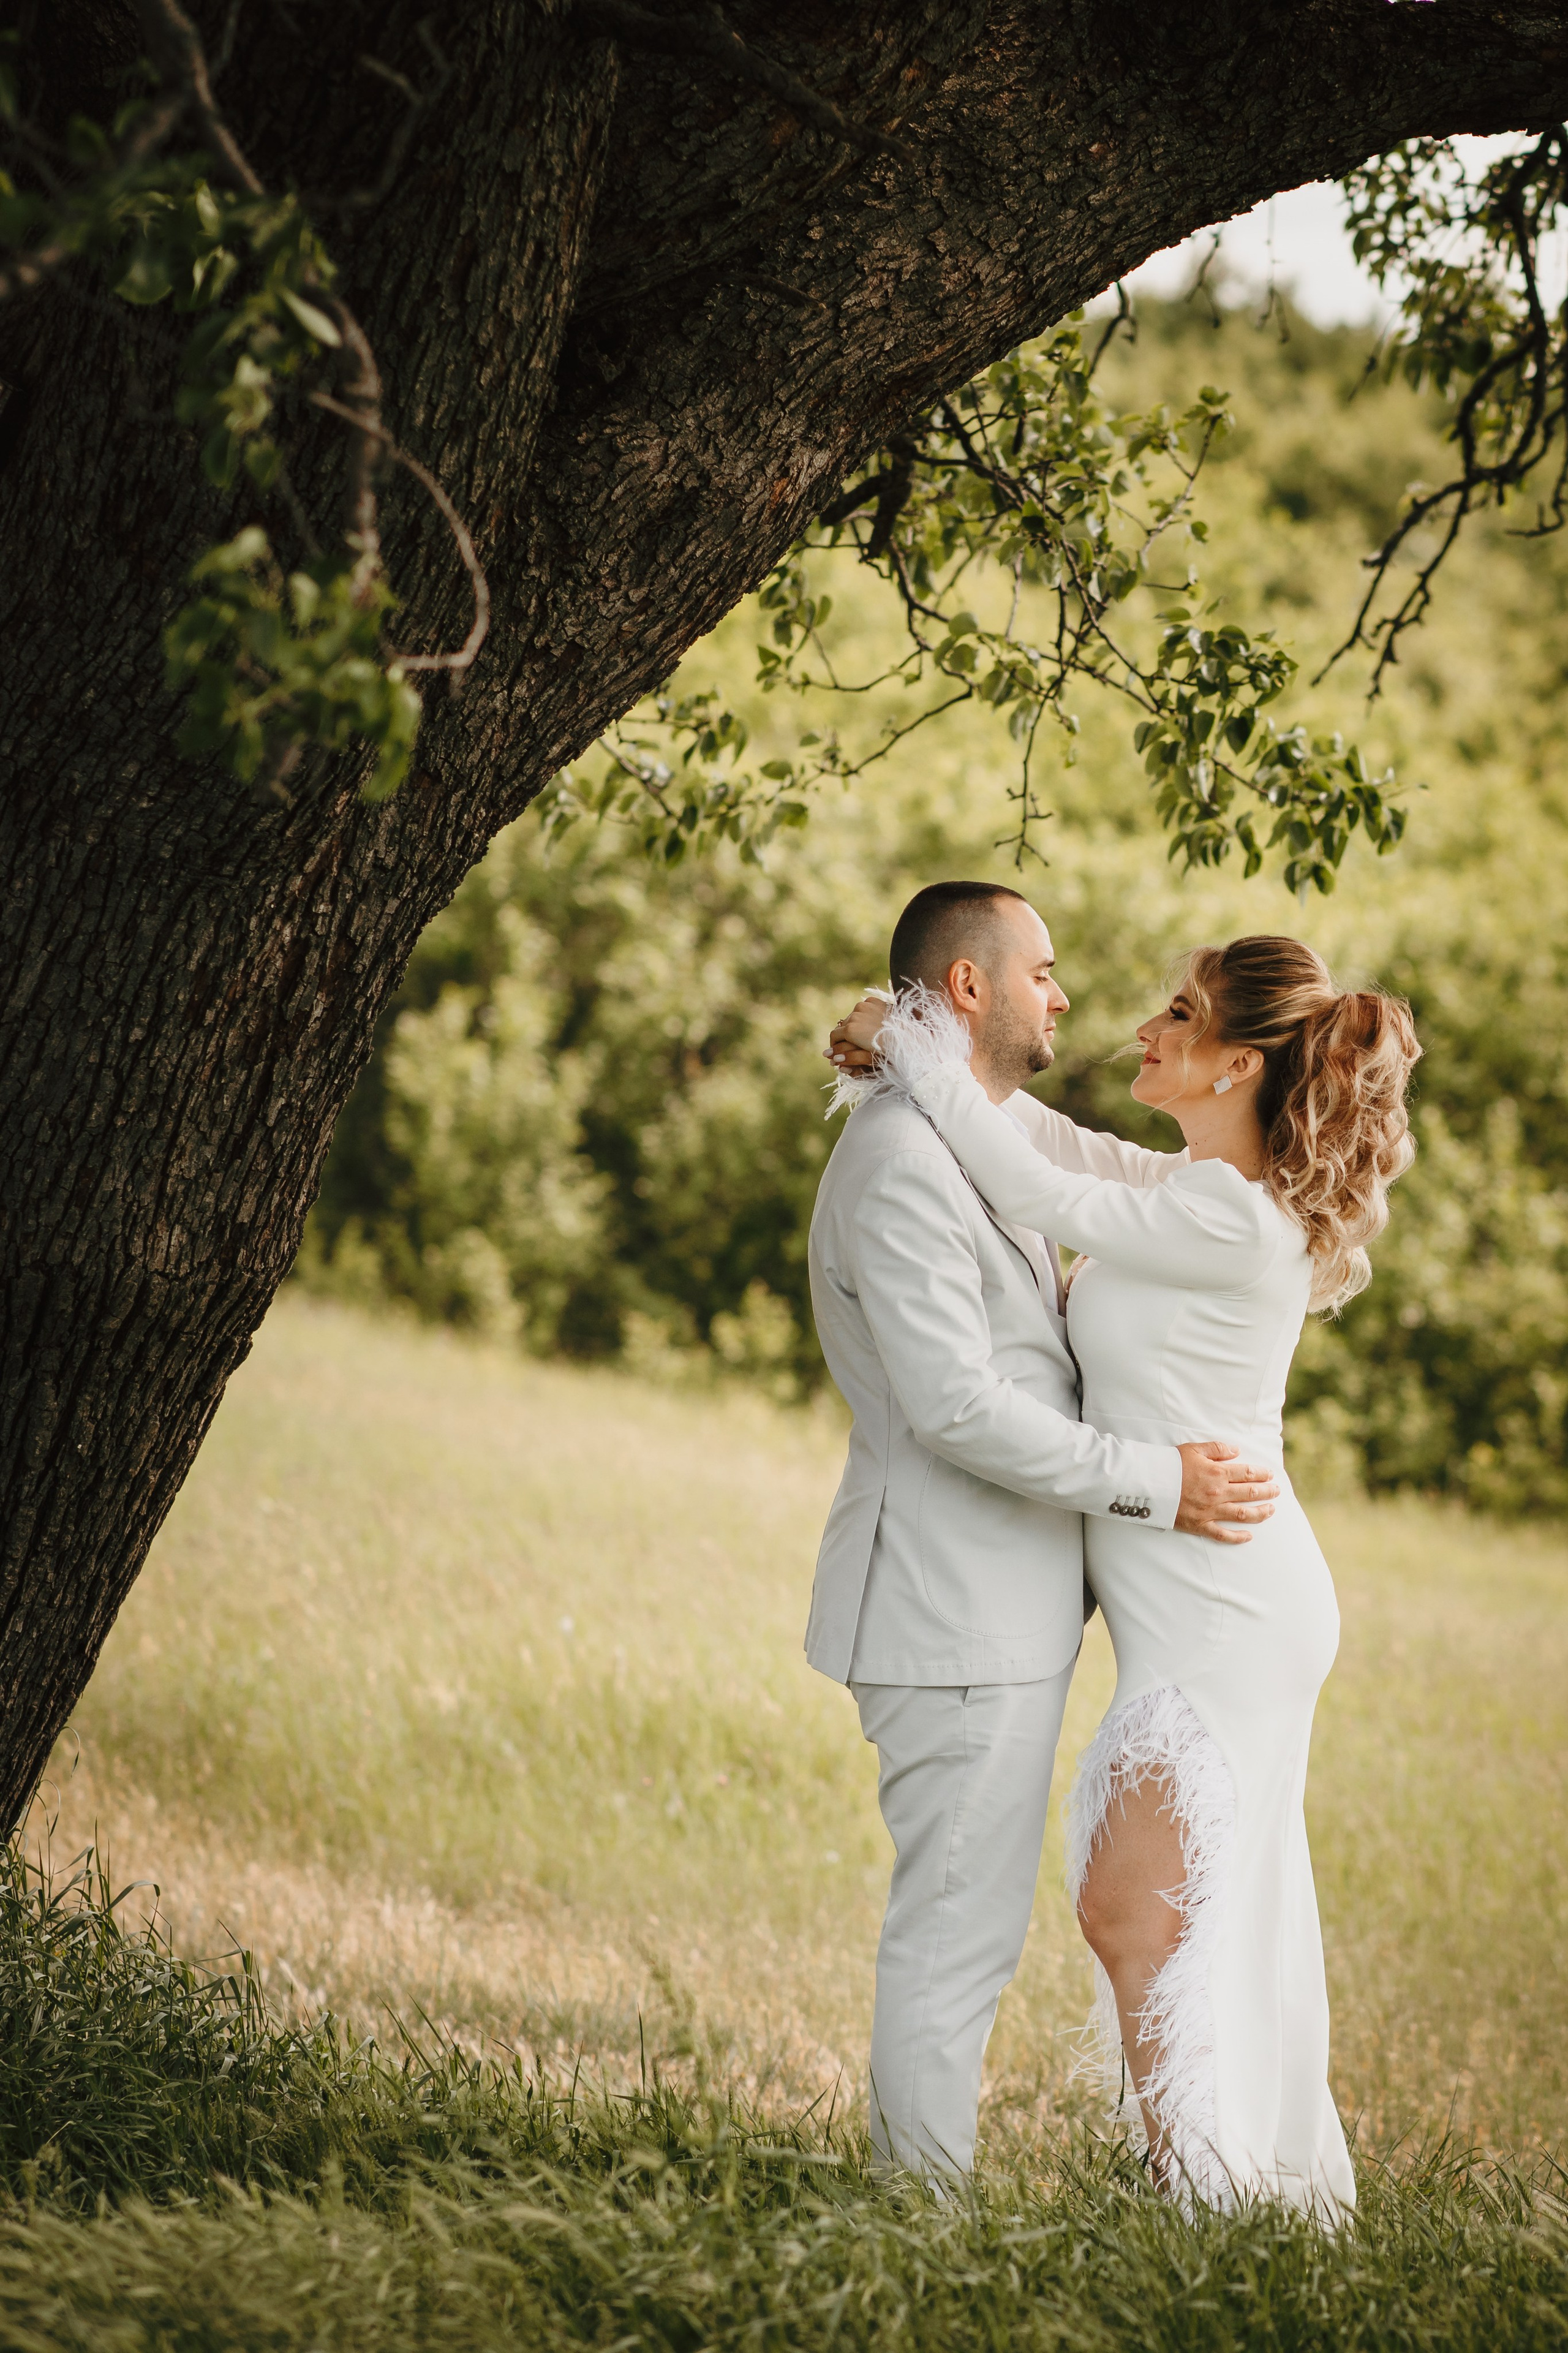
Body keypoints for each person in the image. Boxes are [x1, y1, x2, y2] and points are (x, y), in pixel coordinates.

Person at [829, 926, 1419, 2215]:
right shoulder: (1194, 1187)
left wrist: (910, 1045)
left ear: (1235, 1063)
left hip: (1224, 1596)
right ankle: (1231, 2191)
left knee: (1136, 1909)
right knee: (1185, 1906)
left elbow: (1029, 1186)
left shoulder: (1219, 1211)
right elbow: (1046, 1147)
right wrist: (911, 1041)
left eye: (1177, 1012)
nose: (1141, 1032)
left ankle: (1205, 2202)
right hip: (1208, 1590)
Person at [806, 879, 1281, 2183]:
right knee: (951, 1941)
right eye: (1044, 971)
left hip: (997, 1609)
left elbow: (1089, 1170)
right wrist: (1157, 1484)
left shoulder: (982, 1135)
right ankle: (918, 2230)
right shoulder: (906, 1160)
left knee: (966, 1935)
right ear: (970, 987)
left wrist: (885, 1030)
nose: (1065, 996)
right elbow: (957, 1406)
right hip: (946, 1612)